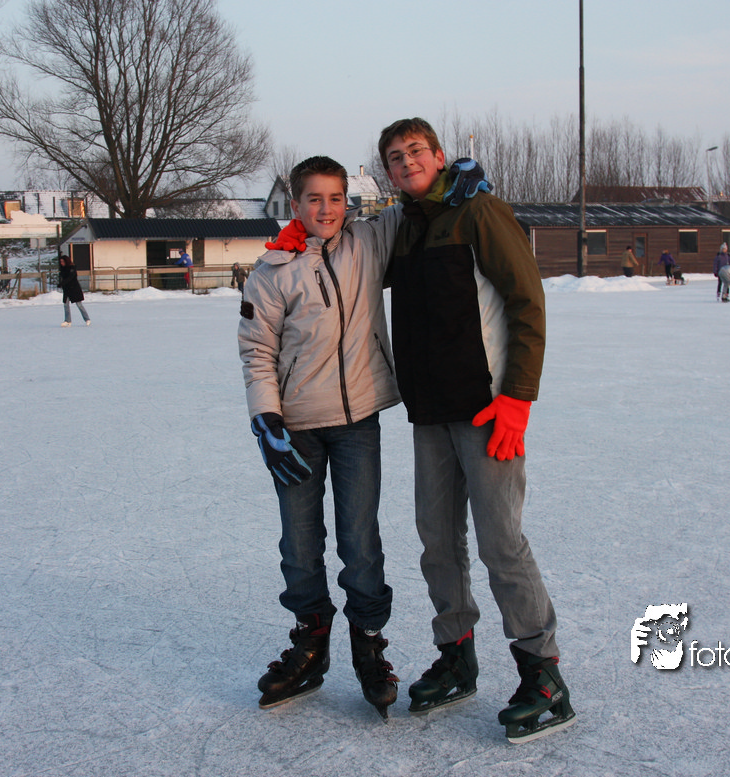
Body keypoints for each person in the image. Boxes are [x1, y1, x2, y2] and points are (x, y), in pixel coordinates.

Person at [377, 117, 574, 743]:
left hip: (487, 410)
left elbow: (527, 302)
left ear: (439, 155)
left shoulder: (480, 212)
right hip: (430, 412)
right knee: (437, 541)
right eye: (394, 156)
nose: (406, 162)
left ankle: (542, 671)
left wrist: (518, 397)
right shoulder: (405, 226)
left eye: (415, 151)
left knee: (500, 541)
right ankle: (456, 656)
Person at [238, 155, 404, 718]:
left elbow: (419, 202)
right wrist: (266, 419)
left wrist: (458, 177)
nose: (327, 209)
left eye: (336, 198)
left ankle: (368, 645)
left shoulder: (368, 242)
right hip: (297, 429)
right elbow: (257, 350)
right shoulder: (272, 269)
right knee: (300, 545)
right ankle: (310, 642)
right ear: (295, 203)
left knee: (360, 541)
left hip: (358, 422)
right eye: (315, 199)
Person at [57, 253, 91, 326]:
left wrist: (62, 283)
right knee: (66, 305)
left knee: (79, 305)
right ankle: (67, 320)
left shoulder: (72, 268)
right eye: (60, 262)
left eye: (62, 261)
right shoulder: (62, 269)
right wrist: (61, 284)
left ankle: (87, 319)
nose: (61, 263)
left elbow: (70, 278)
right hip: (66, 290)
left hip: (74, 289)